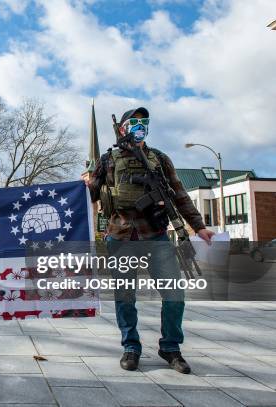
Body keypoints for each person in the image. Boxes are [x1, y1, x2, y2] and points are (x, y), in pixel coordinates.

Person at [83, 107, 214, 374]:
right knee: (125, 296)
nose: (140, 125)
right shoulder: (108, 160)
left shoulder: (160, 159)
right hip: (120, 237)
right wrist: (82, 186)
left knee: (175, 295)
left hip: (156, 235)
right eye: (134, 122)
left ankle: (170, 347)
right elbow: (91, 194)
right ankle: (131, 347)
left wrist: (198, 227)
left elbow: (179, 195)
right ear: (122, 128)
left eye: (144, 122)